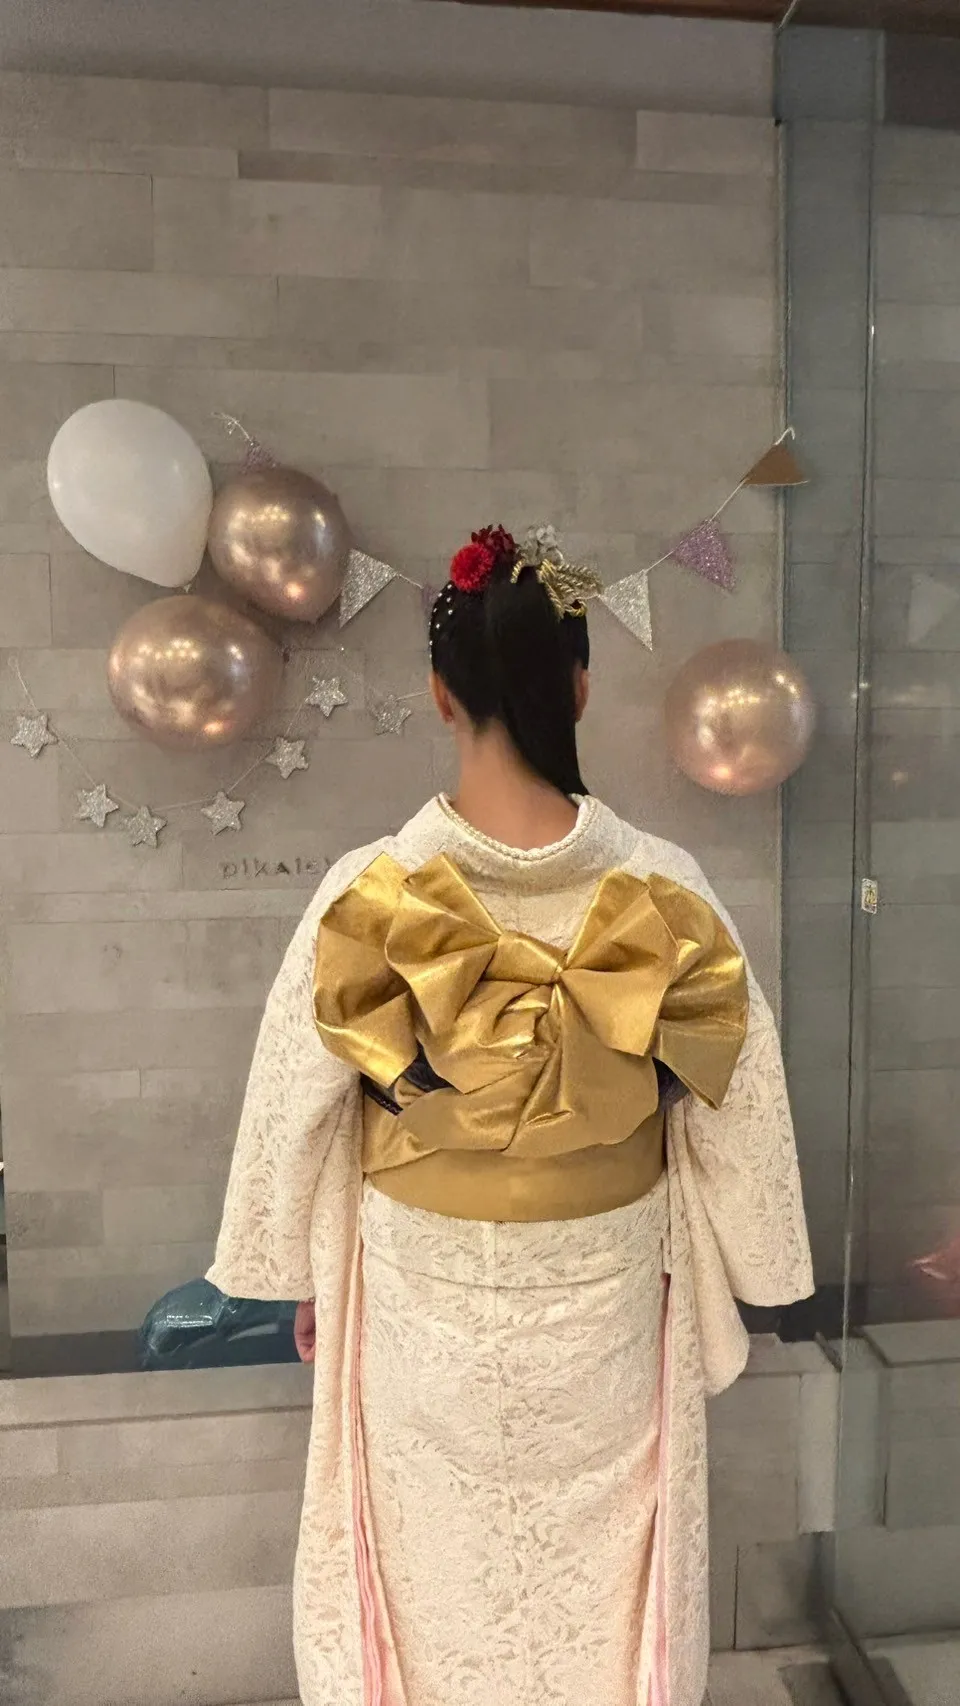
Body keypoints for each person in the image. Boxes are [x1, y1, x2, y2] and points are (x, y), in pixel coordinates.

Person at [208, 523, 813, 1706]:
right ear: (579, 685)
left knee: (436, 1566)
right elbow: (741, 1097)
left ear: (441, 694)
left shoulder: (370, 891)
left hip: (420, 1290)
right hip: (607, 1287)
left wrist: (300, 1267)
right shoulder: (666, 887)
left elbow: (293, 1103)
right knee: (602, 1576)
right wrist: (763, 1259)